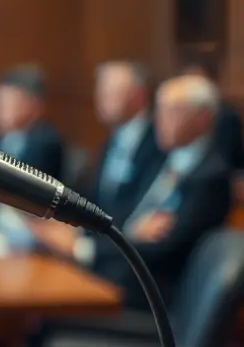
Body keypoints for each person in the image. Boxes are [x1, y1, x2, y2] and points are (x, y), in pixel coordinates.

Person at [34, 74, 231, 309]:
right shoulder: (163, 159)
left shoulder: (210, 176)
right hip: (119, 268)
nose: (159, 119)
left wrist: (87, 249)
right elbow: (127, 212)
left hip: (149, 295)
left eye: (172, 110)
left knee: (47, 308)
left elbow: (166, 250)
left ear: (203, 118)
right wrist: (85, 234)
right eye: (159, 109)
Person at [0, 66, 66, 214]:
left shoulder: (45, 142)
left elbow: (2, 190)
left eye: (6, 104)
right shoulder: (4, 138)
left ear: (33, 104)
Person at [82, 61, 166, 224]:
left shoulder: (158, 142)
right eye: (100, 90)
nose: (100, 98)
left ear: (139, 95)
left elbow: (140, 208)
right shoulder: (111, 140)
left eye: (111, 92)